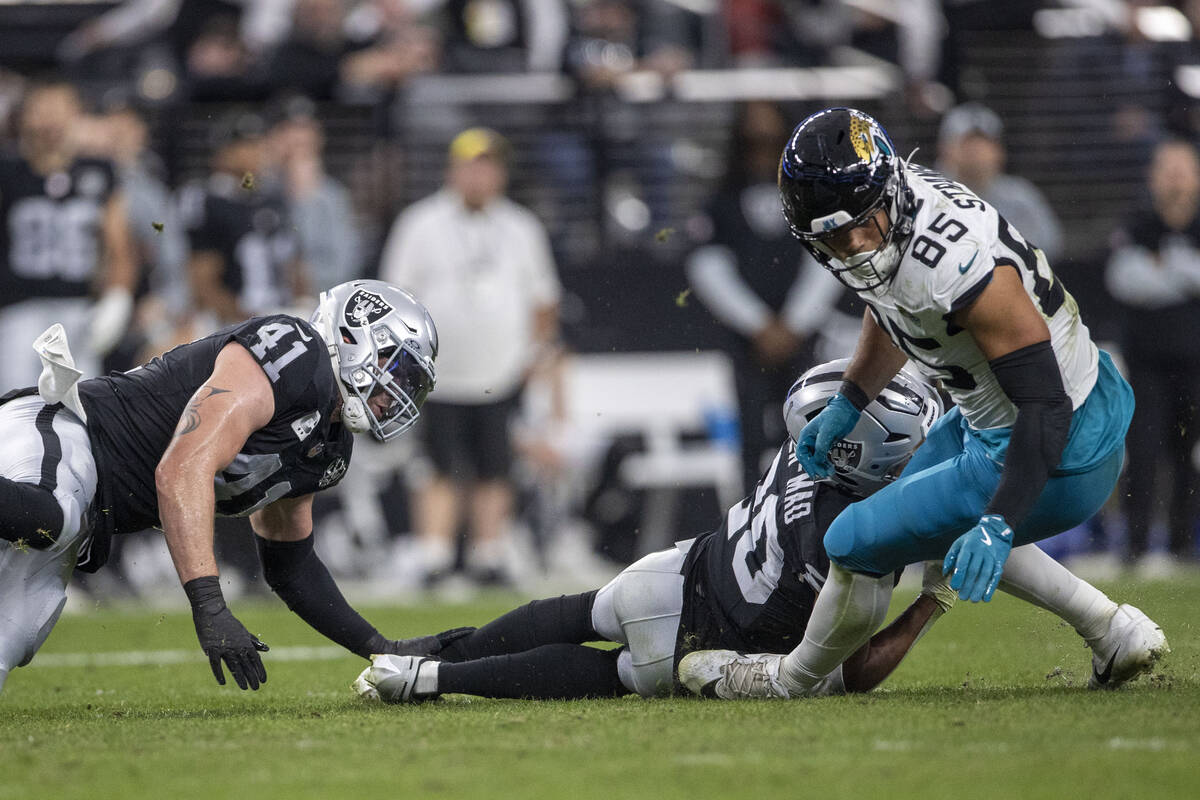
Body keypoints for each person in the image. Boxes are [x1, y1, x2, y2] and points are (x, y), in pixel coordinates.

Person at [679, 107, 1167, 700]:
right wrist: (852, 399)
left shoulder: (954, 269)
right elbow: (895, 304)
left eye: (860, 225)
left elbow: (1045, 404)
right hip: (1021, 416)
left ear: (883, 195)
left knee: (852, 541)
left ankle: (789, 678)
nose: (854, 245)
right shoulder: (896, 206)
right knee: (914, 510)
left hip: (1056, 445)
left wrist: (999, 521)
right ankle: (1112, 631)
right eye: (834, 235)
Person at [354, 361, 1159, 702]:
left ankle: (424, 653)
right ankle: (428, 679)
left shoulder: (813, 450)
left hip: (684, 567)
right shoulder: (853, 528)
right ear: (869, 450)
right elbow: (859, 670)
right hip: (705, 639)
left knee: (573, 611)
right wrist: (933, 603)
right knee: (601, 674)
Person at [0, 279, 466, 693]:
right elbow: (182, 468)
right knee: (55, 516)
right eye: (398, 368)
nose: (397, 391)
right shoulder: (295, 351)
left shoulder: (329, 444)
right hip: (64, 431)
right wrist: (209, 605)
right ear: (356, 336)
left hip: (87, 495)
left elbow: (292, 567)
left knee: (10, 639)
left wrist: (380, 647)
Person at [379, 127, 562, 587]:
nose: (480, 176)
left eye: (489, 166)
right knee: (437, 464)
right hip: (437, 373)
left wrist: (535, 356)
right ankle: (434, 554)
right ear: (453, 171)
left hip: (501, 371)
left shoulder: (521, 226)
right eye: (471, 166)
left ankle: (488, 553)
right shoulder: (420, 224)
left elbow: (544, 299)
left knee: (495, 465)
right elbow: (394, 296)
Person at [687, 99, 862, 493]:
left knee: (811, 426)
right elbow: (708, 268)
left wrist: (794, 324)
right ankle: (751, 519)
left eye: (771, 139)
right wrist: (759, 326)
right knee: (750, 436)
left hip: (801, 338)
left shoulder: (812, 197)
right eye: (753, 140)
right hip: (748, 342)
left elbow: (827, 256)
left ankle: (811, 509)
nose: (762, 147)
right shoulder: (722, 201)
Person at [0, 81, 137, 390]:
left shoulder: (99, 171)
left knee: (78, 405)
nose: (50, 120)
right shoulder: (8, 171)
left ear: (76, 115)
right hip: (18, 307)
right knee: (13, 400)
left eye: (59, 109)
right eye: (41, 110)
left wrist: (118, 298)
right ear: (23, 117)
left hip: (79, 307)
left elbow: (119, 247)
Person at [1105, 138, 1200, 574]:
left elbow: (1148, 280)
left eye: (1184, 168)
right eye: (1168, 168)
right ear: (1153, 176)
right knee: (1142, 452)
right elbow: (1126, 281)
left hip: (1194, 361)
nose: (1177, 178)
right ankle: (1136, 547)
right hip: (1145, 363)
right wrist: (1186, 275)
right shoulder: (1136, 220)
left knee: (1190, 454)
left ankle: (1184, 547)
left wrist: (1166, 267)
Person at [936, 102, 1064, 263]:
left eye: (984, 143)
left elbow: (1050, 248)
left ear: (999, 150)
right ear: (945, 148)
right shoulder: (925, 194)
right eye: (967, 142)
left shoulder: (1020, 197)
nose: (976, 151)